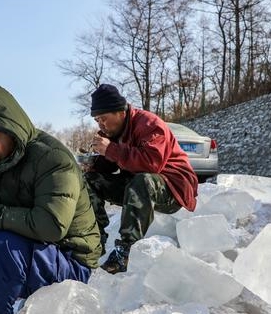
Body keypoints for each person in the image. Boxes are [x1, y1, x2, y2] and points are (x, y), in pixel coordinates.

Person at [0, 84, 102, 314]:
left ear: (3, 124)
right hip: (34, 250)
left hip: (70, 260)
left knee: (0, 246)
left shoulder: (53, 159)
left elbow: (52, 225)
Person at [82, 83, 199, 274]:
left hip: (172, 187)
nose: (101, 124)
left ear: (120, 112)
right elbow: (115, 163)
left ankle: (125, 252)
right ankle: (95, 240)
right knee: (89, 179)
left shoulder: (149, 124)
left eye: (103, 118)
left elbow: (151, 164)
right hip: (137, 186)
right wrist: (95, 163)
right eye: (97, 120)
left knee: (142, 180)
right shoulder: (113, 131)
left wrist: (110, 149)